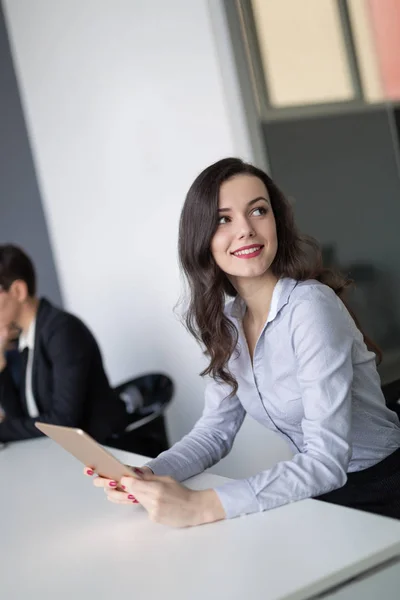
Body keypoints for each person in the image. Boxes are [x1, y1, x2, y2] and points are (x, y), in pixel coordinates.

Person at [86, 158, 400, 527]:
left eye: (258, 211)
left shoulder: (310, 307)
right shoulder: (229, 324)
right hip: (324, 495)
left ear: (276, 222)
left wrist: (201, 505)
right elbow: (215, 431)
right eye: (224, 219)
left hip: (383, 490)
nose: (247, 230)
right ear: (202, 237)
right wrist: (150, 474)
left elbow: (326, 460)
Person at [0, 244, 128, 443]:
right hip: (62, 455)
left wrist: (3, 429)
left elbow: (63, 422)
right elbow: (24, 420)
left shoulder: (63, 331)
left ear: (17, 291)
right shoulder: (26, 338)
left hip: (103, 452)